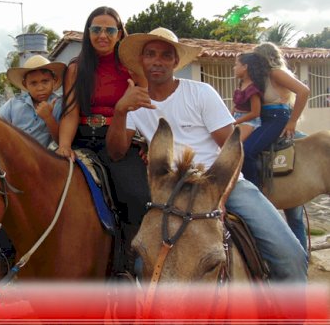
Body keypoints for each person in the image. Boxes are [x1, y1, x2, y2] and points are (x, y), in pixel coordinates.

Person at [106, 27, 307, 282]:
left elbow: (232, 150)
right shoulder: (135, 103)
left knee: (291, 256)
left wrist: (220, 196)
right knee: (141, 265)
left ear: (175, 62)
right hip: (169, 192)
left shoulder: (200, 93)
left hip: (218, 183)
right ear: (142, 61)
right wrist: (121, 110)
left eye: (166, 55)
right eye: (151, 54)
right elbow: (116, 152)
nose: (158, 60)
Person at [56, 6, 150, 274]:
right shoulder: (76, 68)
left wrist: (148, 142)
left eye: (110, 30)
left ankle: (131, 266)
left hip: (121, 137)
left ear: (120, 34)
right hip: (84, 138)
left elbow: (144, 106)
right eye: (96, 29)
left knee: (137, 195)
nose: (103, 35)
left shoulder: (132, 66)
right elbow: (71, 110)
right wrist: (63, 146)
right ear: (88, 33)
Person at [243, 42, 310, 251]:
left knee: (246, 151)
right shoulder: (261, 78)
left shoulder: (275, 72)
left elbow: (304, 91)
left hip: (277, 118)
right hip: (266, 119)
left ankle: (253, 195)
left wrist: (292, 121)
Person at [0, 55, 65, 148]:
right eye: (33, 83)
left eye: (45, 81)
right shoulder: (14, 104)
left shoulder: (59, 105)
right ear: (25, 85)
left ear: (54, 81)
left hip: (39, 159)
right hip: (11, 154)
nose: (40, 88)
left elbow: (62, 142)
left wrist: (48, 118)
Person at [232, 53, 266, 142]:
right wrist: (229, 118)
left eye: (236, 65)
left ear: (245, 67)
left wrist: (236, 122)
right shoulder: (241, 85)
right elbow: (236, 106)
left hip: (249, 121)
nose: (234, 68)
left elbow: (255, 113)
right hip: (237, 119)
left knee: (235, 145)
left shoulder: (253, 89)